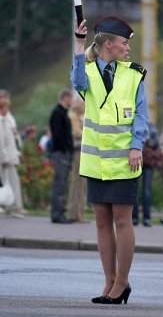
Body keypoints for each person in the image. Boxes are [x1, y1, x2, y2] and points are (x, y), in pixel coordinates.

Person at [71, 15, 148, 304]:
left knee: (122, 220)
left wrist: (136, 146)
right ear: (107, 45)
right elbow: (76, 78)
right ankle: (110, 282)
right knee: (102, 223)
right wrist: (79, 43)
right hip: (95, 161)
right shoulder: (87, 73)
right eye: (124, 43)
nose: (128, 48)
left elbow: (141, 114)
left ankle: (123, 283)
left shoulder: (135, 74)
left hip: (125, 160)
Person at [49, 89, 74, 224]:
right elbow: (58, 135)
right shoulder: (58, 113)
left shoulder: (63, 113)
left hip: (64, 153)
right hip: (60, 153)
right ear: (65, 98)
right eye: (70, 98)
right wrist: (65, 150)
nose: (72, 102)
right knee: (59, 184)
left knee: (63, 184)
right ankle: (57, 214)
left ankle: (60, 212)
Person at [132, 122, 162, 227]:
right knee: (135, 190)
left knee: (147, 191)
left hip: (148, 162)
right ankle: (134, 217)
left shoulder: (152, 126)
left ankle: (146, 218)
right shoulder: (133, 122)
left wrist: (144, 139)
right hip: (135, 160)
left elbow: (155, 143)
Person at [0, 96, 23, 218]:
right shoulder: (1, 121)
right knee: (8, 183)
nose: (7, 109)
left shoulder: (6, 121)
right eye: (6, 107)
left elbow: (11, 141)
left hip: (10, 157)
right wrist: (3, 159)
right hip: (5, 159)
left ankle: (13, 206)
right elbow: (1, 142)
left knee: (12, 182)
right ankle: (11, 206)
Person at [68, 98, 87, 222]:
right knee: (77, 182)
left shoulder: (81, 116)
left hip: (83, 150)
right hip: (77, 150)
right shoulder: (73, 116)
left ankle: (80, 212)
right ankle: (74, 212)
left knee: (83, 183)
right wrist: (88, 132)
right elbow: (76, 132)